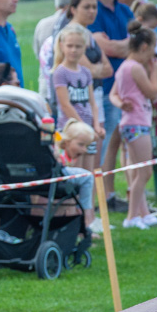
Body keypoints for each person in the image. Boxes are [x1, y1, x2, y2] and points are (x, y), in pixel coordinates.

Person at [88, 0, 133, 213]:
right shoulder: (93, 10)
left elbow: (138, 46)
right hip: (104, 89)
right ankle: (102, 200)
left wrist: (119, 46)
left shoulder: (124, 10)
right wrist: (124, 45)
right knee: (105, 146)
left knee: (118, 144)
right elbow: (106, 48)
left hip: (127, 89)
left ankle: (112, 193)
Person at [110, 22, 157, 229]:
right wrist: (155, 69)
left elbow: (113, 93)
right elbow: (152, 92)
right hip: (137, 123)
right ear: (144, 47)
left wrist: (120, 103)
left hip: (131, 122)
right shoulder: (135, 68)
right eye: (153, 48)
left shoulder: (124, 67)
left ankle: (143, 213)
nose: (153, 53)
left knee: (137, 171)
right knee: (144, 172)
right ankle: (132, 217)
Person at [51, 24, 103, 232]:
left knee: (88, 176)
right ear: (62, 46)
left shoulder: (86, 72)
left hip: (88, 132)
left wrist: (96, 126)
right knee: (75, 178)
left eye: (78, 47)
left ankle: (88, 220)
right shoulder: (59, 73)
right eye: (70, 46)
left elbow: (92, 102)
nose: (74, 50)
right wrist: (83, 129)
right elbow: (65, 104)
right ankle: (73, 221)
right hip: (72, 132)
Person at [55, 119, 99, 234]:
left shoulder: (68, 155)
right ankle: (86, 219)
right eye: (81, 144)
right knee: (87, 177)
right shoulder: (59, 156)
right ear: (67, 141)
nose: (84, 150)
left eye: (86, 146)